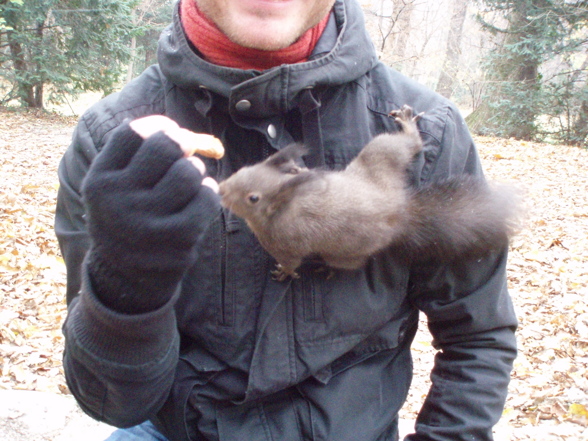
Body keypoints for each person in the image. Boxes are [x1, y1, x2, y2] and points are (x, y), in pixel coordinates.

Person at [54, 0, 518, 440]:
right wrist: (126, 280)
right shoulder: (114, 138)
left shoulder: (428, 128)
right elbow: (111, 401)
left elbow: (477, 337)